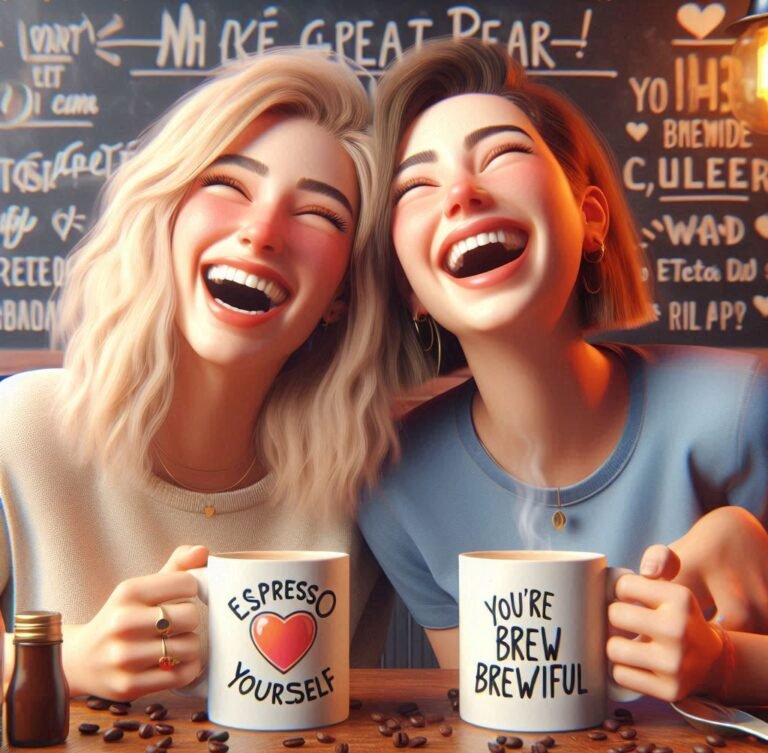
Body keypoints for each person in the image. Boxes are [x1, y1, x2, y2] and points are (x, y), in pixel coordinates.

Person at [359, 38, 768, 703]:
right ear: (407, 286)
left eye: (503, 153)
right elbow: (496, 718)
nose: (462, 191)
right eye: (417, 186)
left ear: (591, 218)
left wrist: (724, 662)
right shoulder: (398, 491)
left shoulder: (744, 410)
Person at [0, 48, 409, 701]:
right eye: (228, 184)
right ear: (167, 216)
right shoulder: (21, 428)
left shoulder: (375, 481)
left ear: (344, 294)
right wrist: (66, 658)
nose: (262, 231)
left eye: (318, 215)